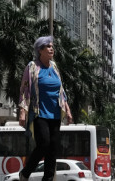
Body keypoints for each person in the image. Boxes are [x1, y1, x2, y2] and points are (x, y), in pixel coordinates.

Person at [17, 36, 73, 181]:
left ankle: (47, 179)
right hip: (39, 113)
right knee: (44, 144)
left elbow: (61, 90)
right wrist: (22, 112)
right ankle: (25, 172)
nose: (51, 48)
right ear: (40, 50)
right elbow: (24, 89)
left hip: (55, 113)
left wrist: (67, 110)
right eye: (48, 46)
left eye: (52, 46)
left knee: (53, 149)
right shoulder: (32, 67)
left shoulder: (54, 67)